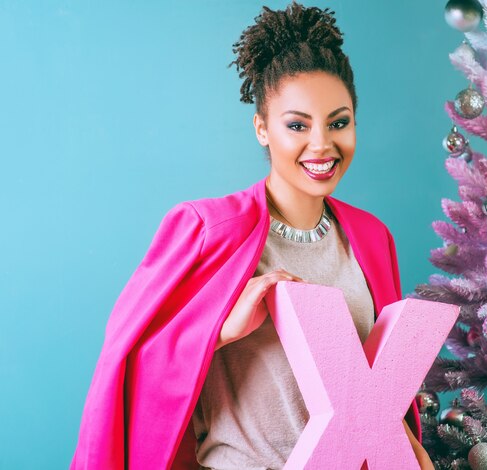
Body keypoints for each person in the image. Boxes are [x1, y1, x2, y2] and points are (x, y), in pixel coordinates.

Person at [71, 2, 433, 469]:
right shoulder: (205, 231)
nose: (322, 144)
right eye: (297, 125)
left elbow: (377, 392)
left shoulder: (371, 236)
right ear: (262, 128)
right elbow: (129, 368)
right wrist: (220, 332)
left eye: (338, 122)